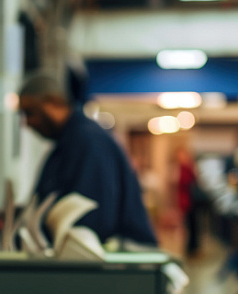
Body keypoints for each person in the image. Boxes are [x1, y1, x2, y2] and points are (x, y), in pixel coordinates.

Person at [18, 75, 158, 246]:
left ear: (53, 102)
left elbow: (90, 222)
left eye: (30, 112)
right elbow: (46, 206)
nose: (27, 123)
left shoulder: (88, 142)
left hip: (122, 262)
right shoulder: (66, 145)